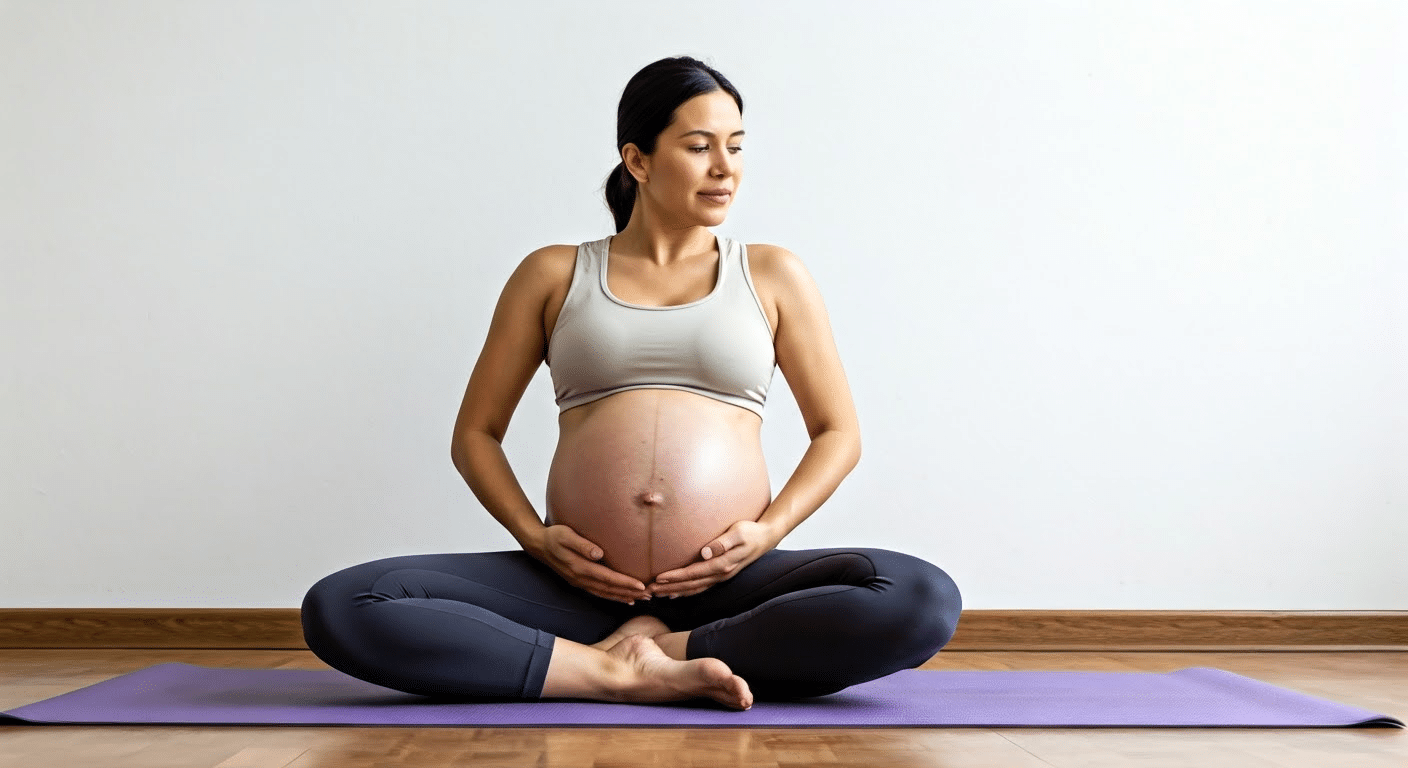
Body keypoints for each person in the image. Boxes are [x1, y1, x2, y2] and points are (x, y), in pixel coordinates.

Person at [300, 55, 962, 711]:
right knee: (343, 605)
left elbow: (837, 433)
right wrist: (536, 538)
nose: (726, 168)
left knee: (920, 597)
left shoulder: (773, 274)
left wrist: (764, 535)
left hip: (730, 584)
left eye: (735, 146)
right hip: (576, 586)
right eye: (699, 147)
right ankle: (612, 671)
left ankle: (670, 647)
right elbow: (476, 434)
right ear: (638, 160)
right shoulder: (554, 274)